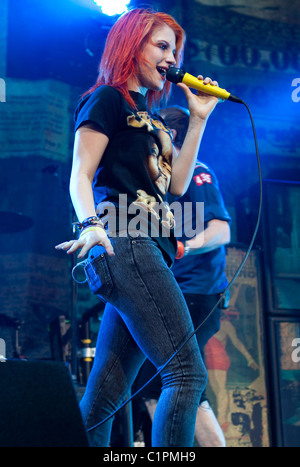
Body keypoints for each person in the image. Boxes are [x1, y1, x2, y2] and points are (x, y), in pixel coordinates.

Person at [55, 8, 219, 447]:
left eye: (175, 50)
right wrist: (90, 223)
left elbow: (178, 185)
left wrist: (199, 118)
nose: (171, 58)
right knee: (186, 374)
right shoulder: (106, 99)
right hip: (126, 243)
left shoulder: (153, 118)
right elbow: (80, 174)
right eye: (162, 46)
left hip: (149, 249)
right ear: (133, 44)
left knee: (105, 395)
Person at [133, 106, 231, 447]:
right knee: (166, 384)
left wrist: (186, 247)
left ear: (170, 136)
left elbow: (220, 230)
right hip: (174, 291)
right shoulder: (161, 182)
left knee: (166, 381)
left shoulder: (199, 175)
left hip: (198, 293)